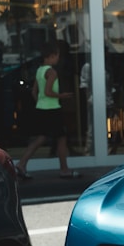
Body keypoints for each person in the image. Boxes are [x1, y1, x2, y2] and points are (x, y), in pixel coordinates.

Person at [16, 40, 79, 180]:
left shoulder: (39, 70)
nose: (58, 58)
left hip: (42, 109)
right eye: (57, 56)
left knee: (40, 139)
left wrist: (40, 103)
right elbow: (48, 91)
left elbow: (34, 92)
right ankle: (64, 169)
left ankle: (21, 163)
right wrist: (62, 96)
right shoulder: (52, 72)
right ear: (52, 56)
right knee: (61, 139)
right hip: (53, 109)